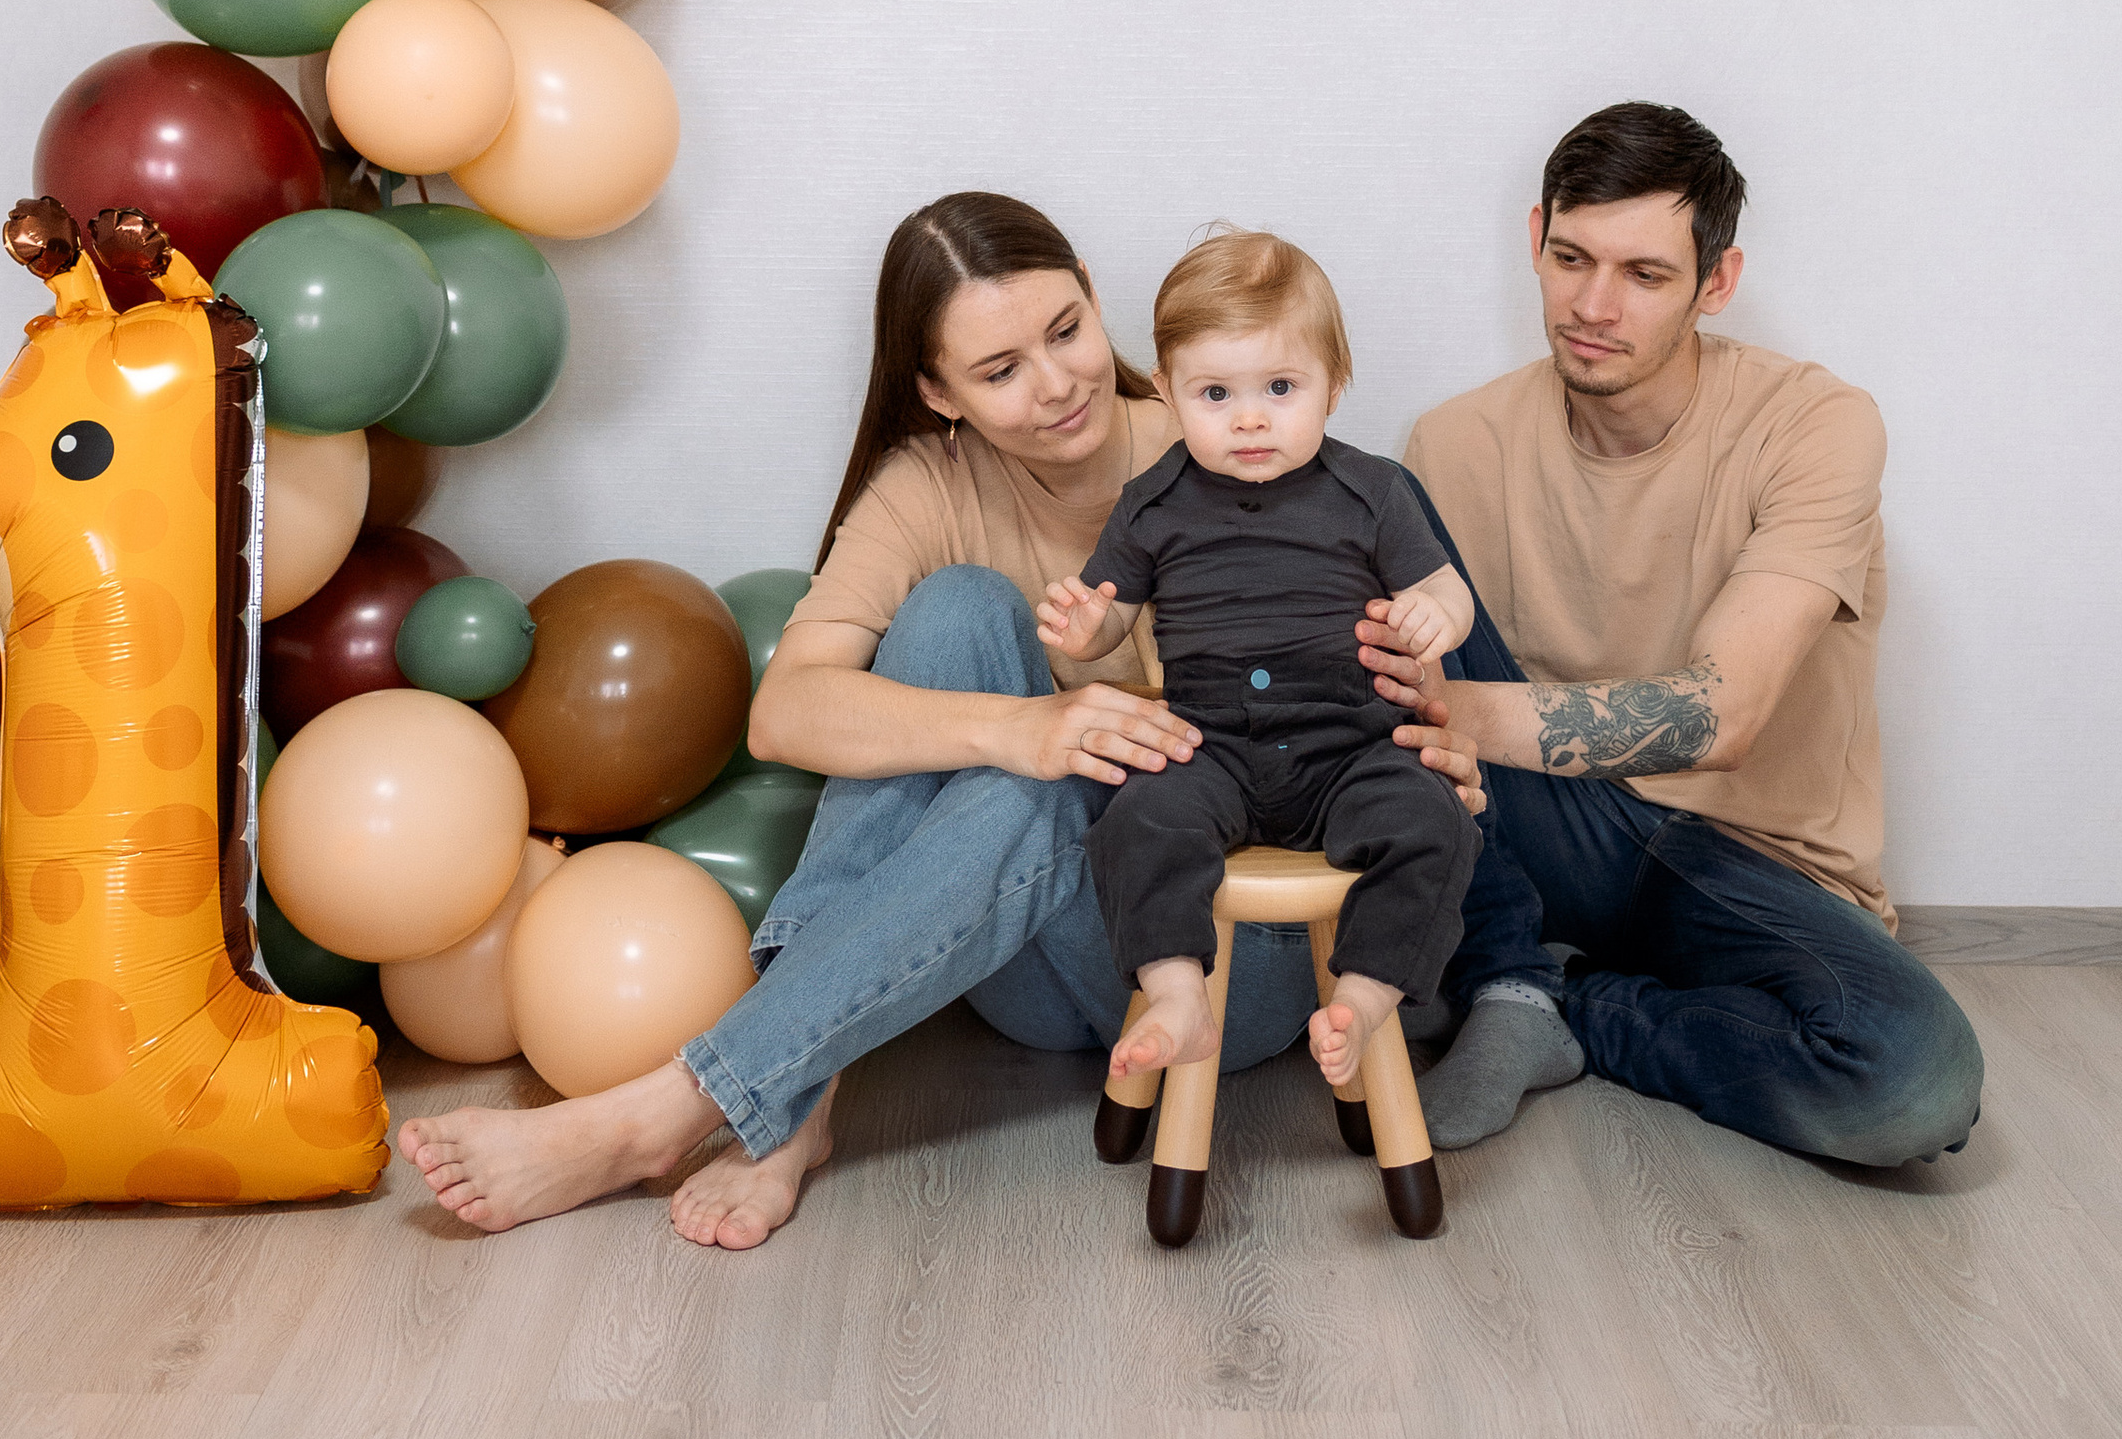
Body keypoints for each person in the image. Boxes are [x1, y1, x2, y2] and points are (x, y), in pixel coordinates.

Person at [396, 191, 1489, 1242]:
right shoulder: (930, 482)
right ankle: (795, 1091)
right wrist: (1018, 731)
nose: (1059, 383)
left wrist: (1435, 737)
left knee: (1058, 779)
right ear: (938, 391)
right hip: (1026, 954)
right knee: (961, 615)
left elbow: (1390, 685)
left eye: (1067, 329)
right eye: (999, 369)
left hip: (1215, 960)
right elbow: (787, 713)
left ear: (1097, 299)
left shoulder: (1235, 434)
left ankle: (697, 1101)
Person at [1376, 101, 1985, 1171]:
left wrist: (1460, 711)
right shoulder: (1452, 440)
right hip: (1548, 825)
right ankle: (1505, 968)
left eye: (1645, 275)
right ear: (1534, 239)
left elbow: (1723, 714)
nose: (1593, 305)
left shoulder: (1815, 423)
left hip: (1748, 858)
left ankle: (1560, 1001)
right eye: (1571, 258)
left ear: (1716, 282)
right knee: (1351, 519)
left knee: (1912, 1084)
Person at [1040, 229, 1478, 1094]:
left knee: (1435, 820)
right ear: (1167, 392)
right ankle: (1177, 995)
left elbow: (1449, 595)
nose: (1249, 417)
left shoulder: (1373, 491)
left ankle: (1362, 995)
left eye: (1281, 388)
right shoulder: (1153, 502)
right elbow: (1111, 621)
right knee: (1138, 821)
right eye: (1215, 392)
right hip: (1212, 754)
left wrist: (1436, 614)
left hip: (1350, 748)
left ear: (1333, 387)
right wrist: (1082, 628)